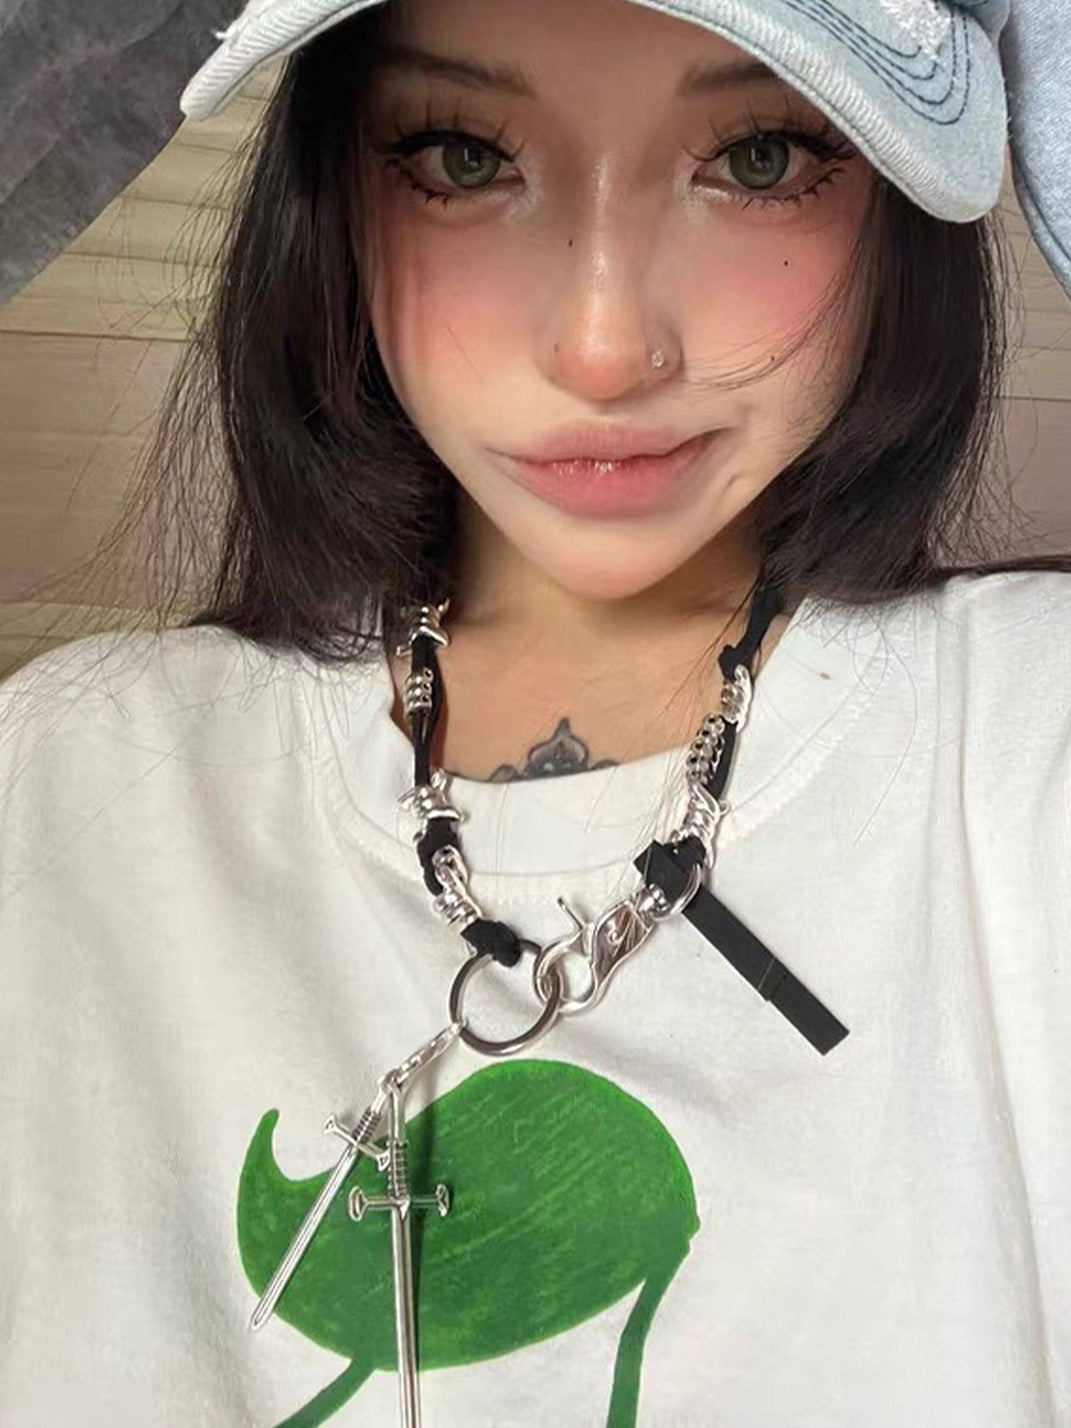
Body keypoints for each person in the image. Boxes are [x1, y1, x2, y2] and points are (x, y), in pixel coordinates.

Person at [1, 0, 1069, 1423]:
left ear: (894, 208)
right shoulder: (66, 793)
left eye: (758, 158)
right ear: (336, 184)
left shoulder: (1028, 748)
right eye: (462, 155)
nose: (604, 346)